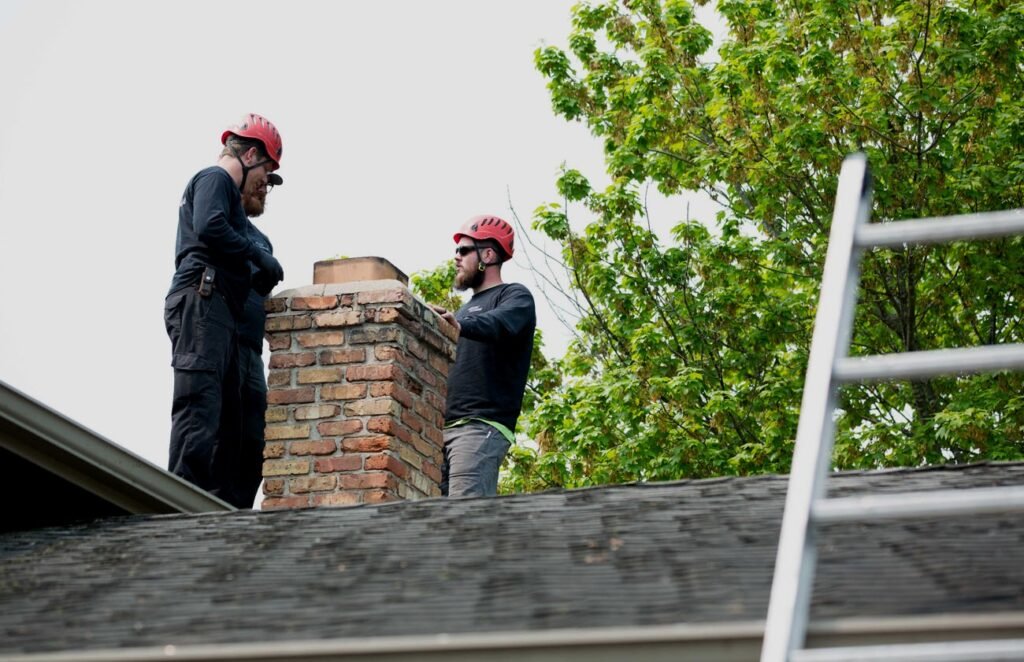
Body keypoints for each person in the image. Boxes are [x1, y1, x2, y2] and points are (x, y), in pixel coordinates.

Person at [164, 113, 285, 508]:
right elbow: (210, 226)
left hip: (218, 303)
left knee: (230, 422)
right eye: (265, 172)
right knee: (200, 406)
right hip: (203, 296)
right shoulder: (215, 179)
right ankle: (178, 505)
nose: (264, 183)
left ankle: (216, 511)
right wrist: (256, 257)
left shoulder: (233, 204)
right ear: (250, 154)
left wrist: (255, 271)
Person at [430, 215, 536, 497]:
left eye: (464, 250)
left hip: (479, 428)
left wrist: (461, 326)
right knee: (433, 525)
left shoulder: (515, 297)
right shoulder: (464, 311)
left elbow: (499, 323)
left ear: (488, 255)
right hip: (443, 429)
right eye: (456, 251)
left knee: (465, 523)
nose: (456, 257)